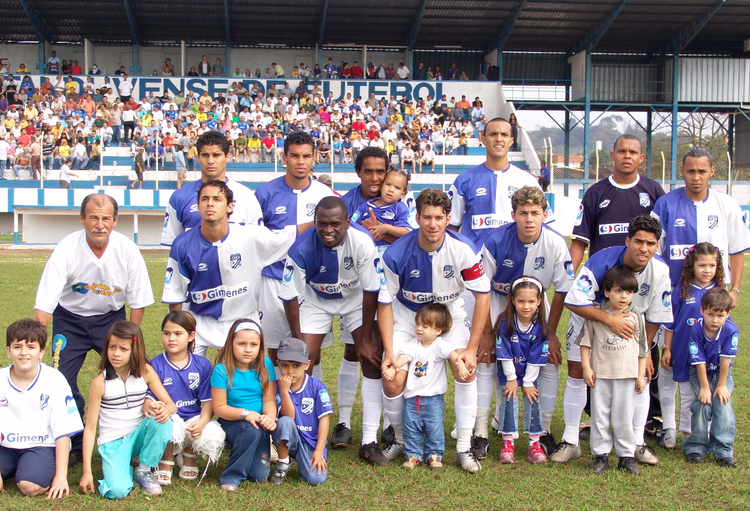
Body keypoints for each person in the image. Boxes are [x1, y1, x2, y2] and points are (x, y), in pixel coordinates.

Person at [33, 194, 154, 464]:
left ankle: (129, 436)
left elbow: (138, 300)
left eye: (106, 218)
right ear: (82, 219)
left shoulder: (127, 249)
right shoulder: (67, 248)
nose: (100, 224)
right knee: (59, 379)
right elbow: (45, 304)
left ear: (115, 221)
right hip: (70, 320)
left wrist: (130, 338)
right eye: (94, 217)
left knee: (129, 374)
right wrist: (39, 345)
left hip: (110, 320)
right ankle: (73, 441)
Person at [378, 188, 491, 473]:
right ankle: (401, 440)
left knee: (467, 369)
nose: (432, 224)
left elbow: (483, 296)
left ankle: (464, 446)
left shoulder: (463, 249)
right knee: (392, 379)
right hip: (409, 318)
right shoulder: (396, 253)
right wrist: (390, 351)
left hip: (449, 316)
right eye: (426, 217)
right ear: (417, 217)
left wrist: (471, 348)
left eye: (439, 217)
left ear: (448, 218)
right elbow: (384, 302)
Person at [554, 215, 672, 467]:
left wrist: (647, 348)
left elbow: (656, 315)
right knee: (577, 372)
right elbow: (574, 301)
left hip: (632, 329)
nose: (644, 248)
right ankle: (571, 440)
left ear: (657, 246)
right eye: (638, 241)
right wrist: (610, 320)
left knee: (641, 376)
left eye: (650, 243)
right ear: (628, 241)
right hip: (591, 319)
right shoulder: (602, 260)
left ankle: (637, 443)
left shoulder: (660, 270)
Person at [568, 134, 664, 442]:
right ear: (612, 155)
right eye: (621, 150)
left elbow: (655, 315)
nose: (626, 156)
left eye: (633, 152)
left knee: (637, 367)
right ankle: (580, 429)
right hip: (597, 290)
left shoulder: (653, 191)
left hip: (635, 295)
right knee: (582, 366)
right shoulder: (597, 192)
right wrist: (577, 279)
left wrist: (645, 348)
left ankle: (639, 433)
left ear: (641, 158)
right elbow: (580, 241)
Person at [279, 197, 381, 451]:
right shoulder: (301, 247)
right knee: (303, 361)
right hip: (317, 300)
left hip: (355, 299)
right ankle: (306, 432)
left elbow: (371, 290)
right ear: (314, 222)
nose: (328, 230)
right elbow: (290, 295)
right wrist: (297, 343)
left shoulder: (363, 242)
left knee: (370, 358)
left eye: (335, 223)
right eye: (321, 223)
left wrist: (366, 338)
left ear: (347, 222)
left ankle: (369, 439)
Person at [479, 187, 574, 458]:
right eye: (523, 213)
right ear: (513, 215)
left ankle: (542, 430)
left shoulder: (556, 243)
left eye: (535, 213)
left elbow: (563, 289)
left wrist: (551, 333)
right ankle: (481, 432)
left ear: (545, 214)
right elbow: (481, 288)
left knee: (549, 363)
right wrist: (487, 332)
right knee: (487, 361)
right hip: (497, 300)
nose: (529, 219)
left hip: (534, 305)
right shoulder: (496, 241)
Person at [163, 180, 299, 358]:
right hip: (198, 320)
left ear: (229, 207)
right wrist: (180, 330)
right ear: (198, 206)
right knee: (189, 378)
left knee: (243, 382)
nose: (210, 203)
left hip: (242, 318)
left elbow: (289, 235)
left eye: (217, 199)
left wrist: (319, 222)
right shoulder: (182, 244)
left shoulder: (250, 236)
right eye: (205, 199)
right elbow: (175, 293)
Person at [255, 132, 335, 370]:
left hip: (312, 283)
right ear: (284, 158)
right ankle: (276, 403)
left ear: (314, 159)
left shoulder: (325, 194)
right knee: (274, 348)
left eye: (306, 156)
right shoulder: (264, 193)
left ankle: (310, 402)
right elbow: (258, 240)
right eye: (294, 156)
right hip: (274, 281)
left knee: (311, 349)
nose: (300, 161)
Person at [78, 321, 176, 499]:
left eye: (123, 349)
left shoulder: (146, 371)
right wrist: (87, 472)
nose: (116, 353)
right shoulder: (99, 383)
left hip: (138, 436)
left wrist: (165, 409)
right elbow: (91, 428)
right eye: (112, 347)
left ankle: (144, 470)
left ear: (135, 351)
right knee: (117, 491)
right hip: (113, 442)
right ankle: (122, 468)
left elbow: (171, 405)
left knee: (162, 418)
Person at [0, 318, 83, 498]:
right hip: (4, 446)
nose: (24, 353)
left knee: (30, 487)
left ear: (42, 352)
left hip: (41, 444)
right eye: (17, 347)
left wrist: (61, 476)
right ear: (8, 351)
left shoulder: (54, 379)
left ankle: (30, 467)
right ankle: (17, 466)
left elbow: (62, 431)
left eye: (31, 347)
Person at [651, 147, 750, 297]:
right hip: (673, 291)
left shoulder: (728, 205)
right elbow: (654, 252)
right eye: (691, 171)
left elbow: (737, 251)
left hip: (715, 293)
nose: (696, 177)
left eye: (702, 171)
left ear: (712, 171)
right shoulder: (664, 204)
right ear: (682, 170)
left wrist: (734, 290)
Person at [579, 266, 648, 474]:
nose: (623, 296)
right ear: (607, 291)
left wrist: (640, 374)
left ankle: (626, 455)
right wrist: (586, 367)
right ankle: (600, 455)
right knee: (599, 415)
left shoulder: (636, 317)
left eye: (628, 292)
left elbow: (643, 349)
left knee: (624, 416)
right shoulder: (596, 315)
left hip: (626, 375)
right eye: (618, 291)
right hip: (601, 374)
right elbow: (585, 343)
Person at [659, 242, 724, 449]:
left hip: (710, 355)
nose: (707, 270)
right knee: (687, 394)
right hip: (684, 351)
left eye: (711, 266)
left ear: (717, 267)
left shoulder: (719, 292)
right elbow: (670, 323)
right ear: (691, 266)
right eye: (702, 265)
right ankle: (685, 434)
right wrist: (667, 348)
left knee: (708, 394)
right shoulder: (682, 290)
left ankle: (704, 434)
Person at [150, 311, 224, 485]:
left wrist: (203, 422)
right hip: (169, 416)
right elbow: (151, 398)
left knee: (211, 433)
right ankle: (166, 459)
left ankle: (189, 454)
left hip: (193, 416)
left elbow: (208, 402)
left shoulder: (203, 365)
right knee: (165, 421)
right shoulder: (155, 364)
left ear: (191, 336)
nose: (171, 338)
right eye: (166, 333)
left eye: (178, 333)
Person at [161, 130, 263, 246]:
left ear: (227, 157)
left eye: (216, 155)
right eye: (205, 155)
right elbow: (173, 245)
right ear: (198, 157)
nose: (210, 161)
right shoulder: (179, 197)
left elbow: (257, 243)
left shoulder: (245, 195)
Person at [211, 319, 277, 490]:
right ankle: (232, 476)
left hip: (259, 422)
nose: (248, 349)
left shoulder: (266, 364)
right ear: (231, 344)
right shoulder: (221, 370)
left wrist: (270, 418)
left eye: (253, 344)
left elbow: (269, 399)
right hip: (232, 421)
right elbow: (219, 408)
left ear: (260, 346)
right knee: (249, 430)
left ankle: (251, 450)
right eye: (241, 343)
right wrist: (246, 414)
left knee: (260, 476)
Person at [495, 277, 550, 464]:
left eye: (531, 301)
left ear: (539, 302)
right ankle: (507, 443)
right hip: (509, 371)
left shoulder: (541, 326)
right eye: (521, 301)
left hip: (531, 373)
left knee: (533, 399)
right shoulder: (505, 322)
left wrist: (527, 382)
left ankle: (534, 443)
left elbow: (537, 356)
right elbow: (504, 352)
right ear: (513, 301)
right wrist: (511, 378)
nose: (526, 306)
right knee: (509, 399)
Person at [682, 288, 738, 467]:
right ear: (702, 311)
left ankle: (723, 449)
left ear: (728, 314)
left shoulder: (730, 331)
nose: (715, 320)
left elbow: (725, 361)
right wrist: (705, 388)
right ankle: (696, 447)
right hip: (700, 373)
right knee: (702, 405)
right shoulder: (696, 330)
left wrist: (721, 386)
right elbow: (698, 363)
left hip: (722, 373)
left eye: (720, 315)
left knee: (723, 406)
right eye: (710, 314)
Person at [270, 337, 333, 485]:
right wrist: (284, 392)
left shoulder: (317, 387)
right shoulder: (276, 386)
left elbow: (324, 419)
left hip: (309, 441)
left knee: (316, 479)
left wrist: (319, 450)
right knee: (284, 421)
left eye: (296, 365)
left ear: (307, 365)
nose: (290, 371)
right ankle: (283, 461)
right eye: (284, 365)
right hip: (286, 437)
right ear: (278, 364)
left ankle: (302, 458)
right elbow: (289, 416)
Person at [351, 168, 412, 256]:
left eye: (397, 188)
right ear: (381, 186)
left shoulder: (400, 208)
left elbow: (407, 232)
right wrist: (366, 232)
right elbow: (352, 226)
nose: (391, 189)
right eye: (388, 184)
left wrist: (385, 228)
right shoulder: (364, 206)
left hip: (389, 253)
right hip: (365, 251)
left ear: (403, 194)